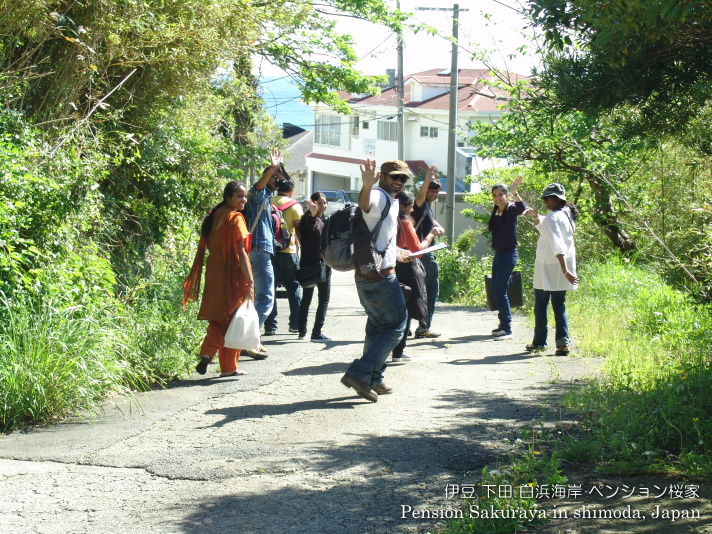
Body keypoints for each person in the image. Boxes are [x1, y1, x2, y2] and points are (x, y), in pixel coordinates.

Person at [340, 159, 412, 402]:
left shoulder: (391, 201)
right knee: (396, 327)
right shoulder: (379, 196)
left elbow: (381, 238)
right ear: (382, 176)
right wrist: (367, 185)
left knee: (376, 327)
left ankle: (374, 379)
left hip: (370, 275)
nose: (399, 182)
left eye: (403, 179)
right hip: (380, 278)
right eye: (394, 177)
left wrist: (398, 251)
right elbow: (365, 204)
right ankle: (359, 373)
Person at [182, 181, 255, 377]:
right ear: (228, 197)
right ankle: (229, 368)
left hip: (214, 272)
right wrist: (250, 281)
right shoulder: (235, 218)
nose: (244, 200)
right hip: (231, 273)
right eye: (239, 196)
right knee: (233, 318)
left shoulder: (214, 216)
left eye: (245, 196)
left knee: (218, 319)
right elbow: (241, 253)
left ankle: (207, 354)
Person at [524, 183, 580, 355]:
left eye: (550, 198)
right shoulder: (566, 215)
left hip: (549, 266)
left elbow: (557, 244)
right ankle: (563, 344)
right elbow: (546, 228)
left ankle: (540, 342)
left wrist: (566, 271)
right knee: (559, 304)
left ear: (559, 200)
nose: (546, 200)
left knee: (541, 305)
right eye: (545, 198)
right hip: (563, 264)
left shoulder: (553, 217)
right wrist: (535, 216)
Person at [391, 190, 443, 362]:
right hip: (407, 268)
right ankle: (398, 352)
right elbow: (418, 250)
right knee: (406, 309)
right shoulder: (405, 223)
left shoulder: (388, 220)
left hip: (391, 267)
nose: (412, 210)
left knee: (394, 309)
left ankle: (393, 350)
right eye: (411, 206)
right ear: (404, 207)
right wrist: (431, 235)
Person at [242, 148, 283, 360]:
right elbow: (257, 187)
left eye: (279, 178)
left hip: (260, 251)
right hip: (258, 251)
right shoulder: (258, 196)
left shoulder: (267, 199)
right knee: (266, 297)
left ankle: (251, 338)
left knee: (257, 297)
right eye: (275, 178)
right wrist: (272, 169)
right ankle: (250, 340)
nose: (278, 181)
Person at [488, 176, 526, 341]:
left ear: (506, 196)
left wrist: (515, 191)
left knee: (500, 291)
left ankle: (507, 328)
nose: (497, 198)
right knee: (496, 290)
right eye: (495, 195)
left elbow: (522, 208)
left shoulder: (511, 209)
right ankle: (502, 324)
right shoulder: (496, 211)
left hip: (509, 254)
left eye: (500, 195)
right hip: (499, 254)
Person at [264, 176, 303, 335]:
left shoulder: (267, 202)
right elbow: (299, 229)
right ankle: (295, 324)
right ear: (291, 190)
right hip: (288, 251)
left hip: (270, 250)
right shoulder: (295, 206)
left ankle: (270, 326)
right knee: (293, 287)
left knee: (270, 288)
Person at [412, 167, 445, 339]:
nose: (433, 193)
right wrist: (426, 180)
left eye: (436, 190)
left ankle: (413, 326)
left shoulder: (428, 207)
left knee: (417, 290)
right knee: (431, 290)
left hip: (415, 254)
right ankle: (424, 326)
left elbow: (428, 219)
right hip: (423, 253)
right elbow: (420, 196)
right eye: (430, 189)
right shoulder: (420, 203)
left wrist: (437, 226)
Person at [297, 192, 332, 342]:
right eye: (320, 203)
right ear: (313, 203)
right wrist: (312, 214)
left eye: (325, 203)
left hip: (314, 264)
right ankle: (315, 332)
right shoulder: (310, 220)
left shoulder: (320, 219)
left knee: (308, 298)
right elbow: (309, 230)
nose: (323, 206)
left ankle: (303, 331)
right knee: (321, 299)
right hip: (316, 265)